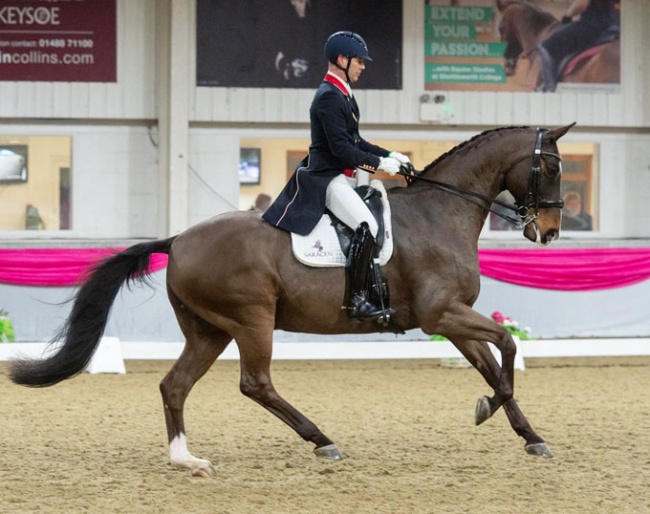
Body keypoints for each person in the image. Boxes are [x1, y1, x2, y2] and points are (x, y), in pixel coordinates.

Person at [262, 31, 410, 321]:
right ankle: (357, 300)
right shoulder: (329, 96)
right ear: (341, 60)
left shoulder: (343, 94)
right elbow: (341, 150)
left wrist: (390, 156)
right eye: (358, 61)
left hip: (339, 176)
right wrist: (379, 164)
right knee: (367, 224)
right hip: (326, 179)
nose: (363, 66)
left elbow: (356, 141)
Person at [537, 0, 620, 92]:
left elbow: (581, 4)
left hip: (592, 26)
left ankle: (550, 89)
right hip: (616, 28)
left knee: (545, 48)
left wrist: (567, 15)